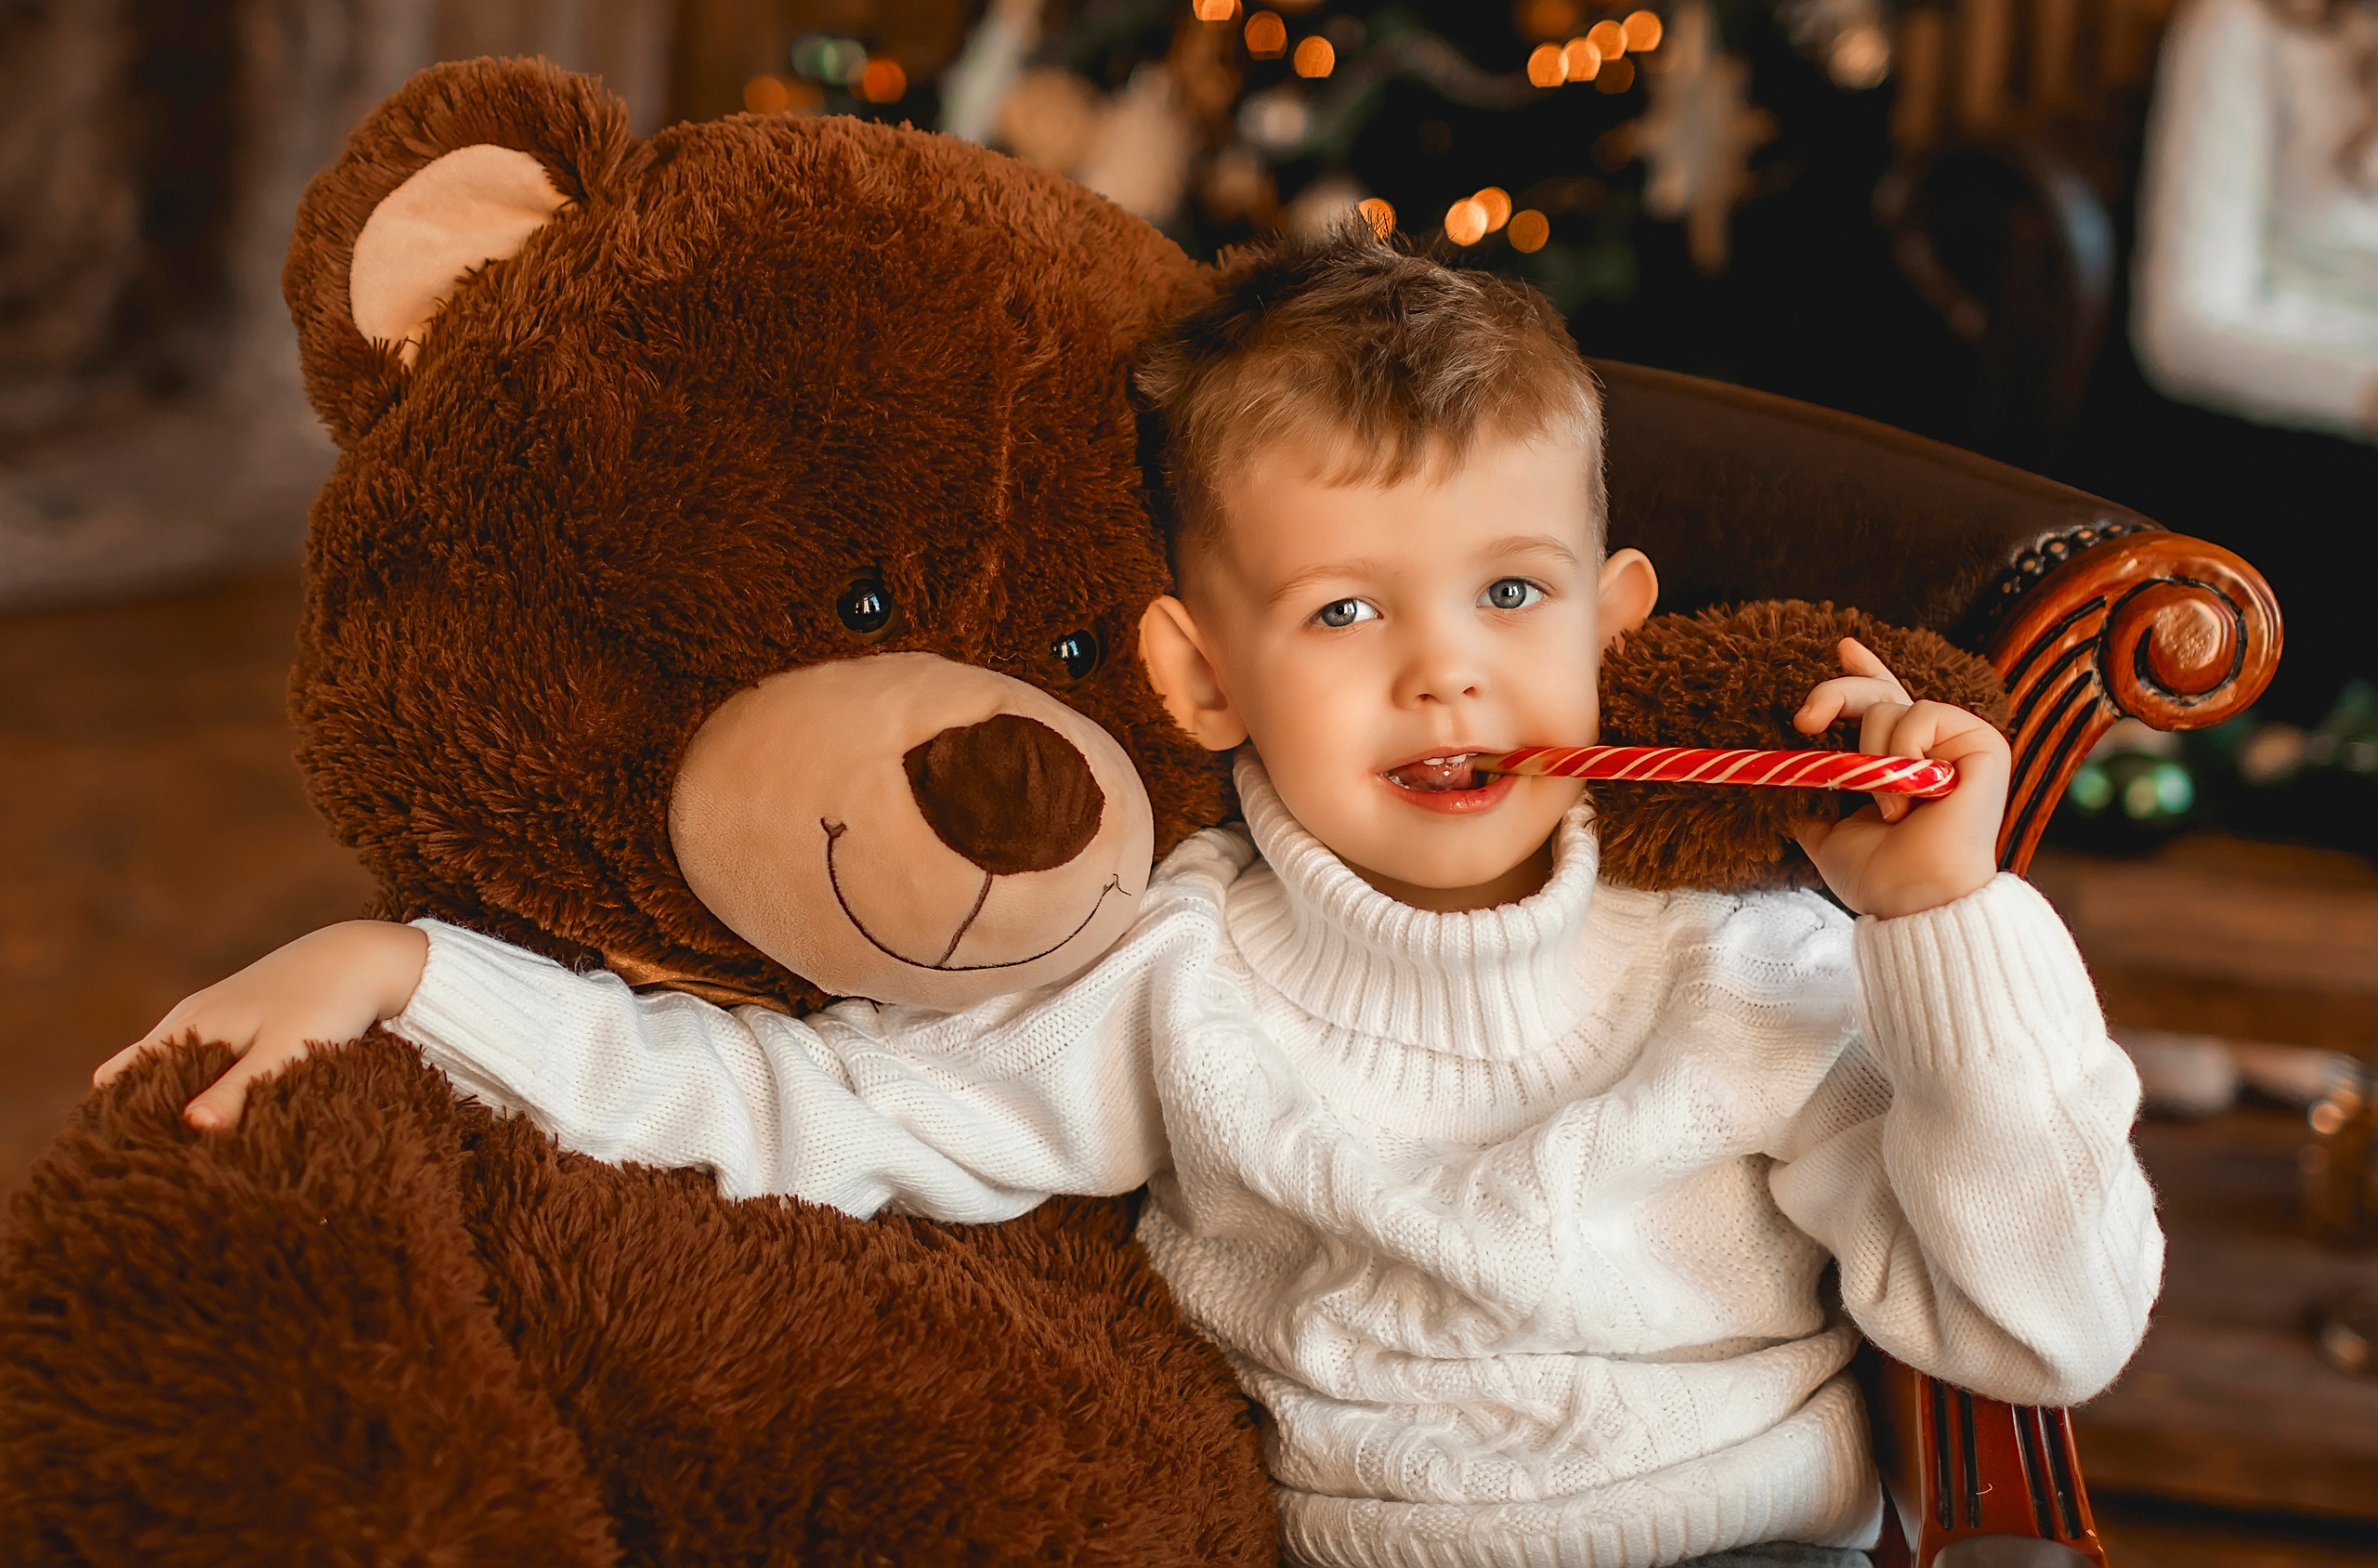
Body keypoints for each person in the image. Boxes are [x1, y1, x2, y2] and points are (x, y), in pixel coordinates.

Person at [102, 230, 2160, 1568]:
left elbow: (2041, 1325)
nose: (1445, 670)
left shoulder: (1753, 946)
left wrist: (1945, 925)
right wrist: (408, 969)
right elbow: (808, 1107)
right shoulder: (1171, 961)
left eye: (1510, 595)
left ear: (1614, 625)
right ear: (1198, 675)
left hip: (1760, 1546)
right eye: (1344, 610)